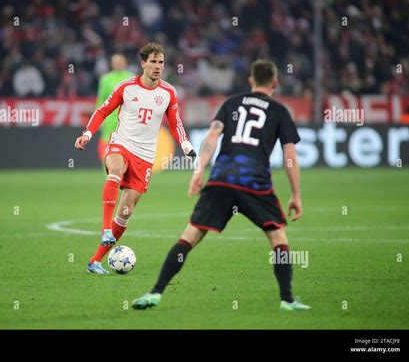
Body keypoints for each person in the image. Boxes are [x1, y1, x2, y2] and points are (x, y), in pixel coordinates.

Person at [132, 59, 311, 311]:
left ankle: (155, 293)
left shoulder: (232, 104)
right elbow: (290, 156)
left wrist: (198, 170)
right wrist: (296, 194)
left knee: (190, 236)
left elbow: (212, 136)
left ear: (251, 81)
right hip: (255, 184)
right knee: (278, 237)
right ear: (275, 83)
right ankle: (287, 299)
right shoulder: (280, 111)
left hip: (221, 180)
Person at [75, 42, 196, 275]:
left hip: (145, 156)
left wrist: (187, 146)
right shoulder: (126, 87)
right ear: (143, 64)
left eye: (161, 62)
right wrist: (87, 134)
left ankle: (95, 261)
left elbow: (175, 123)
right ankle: (104, 229)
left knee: (126, 211)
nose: (158, 66)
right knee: (115, 170)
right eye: (153, 62)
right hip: (122, 144)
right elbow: (102, 110)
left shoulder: (168, 92)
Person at [95, 54, 134, 162]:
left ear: (125, 63)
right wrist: (98, 119)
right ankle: (108, 176)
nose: (118, 64)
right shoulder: (105, 79)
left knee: (127, 148)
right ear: (111, 64)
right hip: (109, 120)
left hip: (126, 119)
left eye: (120, 61)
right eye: (116, 62)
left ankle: (124, 176)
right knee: (107, 147)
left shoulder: (132, 78)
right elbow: (100, 100)